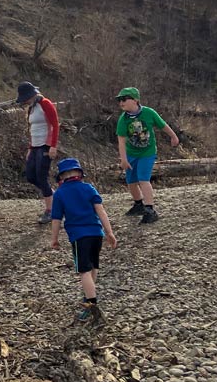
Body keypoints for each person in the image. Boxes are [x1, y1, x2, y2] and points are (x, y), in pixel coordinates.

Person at [49, 158, 118, 323]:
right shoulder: (88, 188)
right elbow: (101, 212)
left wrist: (54, 239)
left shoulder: (60, 194)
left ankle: (91, 304)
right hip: (96, 233)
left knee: (83, 270)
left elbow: (56, 219)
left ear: (62, 177)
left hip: (79, 236)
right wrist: (109, 232)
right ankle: (89, 294)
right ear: (79, 173)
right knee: (93, 266)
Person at [115, 86, 179, 224]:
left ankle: (150, 209)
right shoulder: (123, 119)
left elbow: (163, 125)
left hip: (147, 153)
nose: (121, 102)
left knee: (143, 179)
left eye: (125, 99)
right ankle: (138, 204)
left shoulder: (149, 113)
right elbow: (121, 140)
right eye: (120, 100)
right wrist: (124, 159)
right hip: (131, 153)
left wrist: (173, 136)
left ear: (135, 100)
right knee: (131, 181)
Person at [16, 81, 60, 224]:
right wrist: (30, 148)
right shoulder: (31, 108)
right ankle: (54, 197)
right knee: (30, 176)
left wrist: (53, 146)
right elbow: (32, 130)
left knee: (42, 176)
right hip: (35, 146)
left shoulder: (45, 103)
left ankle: (50, 210)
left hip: (45, 146)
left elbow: (55, 124)